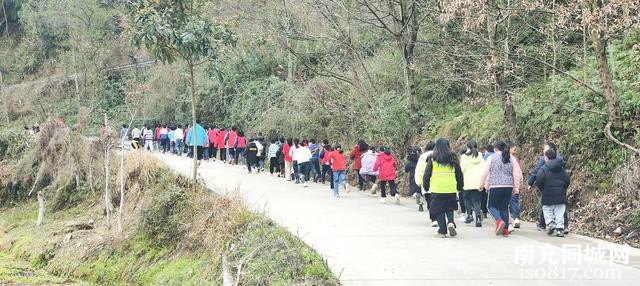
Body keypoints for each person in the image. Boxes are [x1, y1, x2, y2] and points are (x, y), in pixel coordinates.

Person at [479, 140, 523, 237]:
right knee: (504, 208)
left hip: (495, 186)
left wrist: (482, 184)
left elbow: (485, 173)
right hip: (508, 186)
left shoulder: (491, 157)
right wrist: (516, 187)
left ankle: (499, 221)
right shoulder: (511, 158)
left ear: (495, 149)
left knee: (491, 206)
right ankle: (506, 231)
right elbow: (516, 174)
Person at [422, 138, 464, 238]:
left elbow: (427, 174)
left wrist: (426, 186)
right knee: (449, 207)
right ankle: (450, 222)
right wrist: (460, 186)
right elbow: (459, 174)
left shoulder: (433, 159)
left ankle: (442, 231)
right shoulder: (453, 158)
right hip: (450, 188)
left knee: (439, 210)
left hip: (437, 189)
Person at [528, 142, 569, 233]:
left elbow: (539, 179)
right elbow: (567, 179)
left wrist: (542, 188)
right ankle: (561, 228)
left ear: (546, 157)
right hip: (561, 192)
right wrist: (563, 188)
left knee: (547, 208)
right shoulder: (561, 165)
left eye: (545, 149)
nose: (543, 151)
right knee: (560, 210)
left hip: (547, 192)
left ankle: (550, 224)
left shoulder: (544, 167)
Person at [460, 139, 485, 227]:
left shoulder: (464, 157)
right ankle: (478, 218)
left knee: (466, 198)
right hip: (478, 182)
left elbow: (462, 169)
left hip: (467, 182)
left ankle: (469, 215)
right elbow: (484, 169)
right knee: (477, 201)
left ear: (467, 147)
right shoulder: (480, 156)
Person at [416, 141, 437, 226]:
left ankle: (433, 219)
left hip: (426, 182)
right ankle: (439, 218)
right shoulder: (439, 155)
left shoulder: (422, 157)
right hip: (437, 182)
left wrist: (418, 182)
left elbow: (419, 170)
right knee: (437, 201)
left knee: (429, 201)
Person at [506, 140, 522, 231]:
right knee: (515, 202)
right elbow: (518, 173)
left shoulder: (501, 158)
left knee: (505, 204)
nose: (515, 151)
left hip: (506, 184)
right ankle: (515, 218)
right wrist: (520, 183)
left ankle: (509, 221)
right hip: (514, 184)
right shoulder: (513, 159)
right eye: (514, 149)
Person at [405, 146, 423, 211]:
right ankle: (421, 199)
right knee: (421, 191)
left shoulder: (410, 159)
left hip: (413, 177)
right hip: (421, 176)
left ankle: (417, 197)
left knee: (413, 191)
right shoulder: (422, 158)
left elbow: (406, 169)